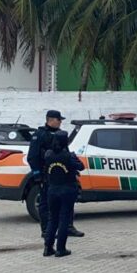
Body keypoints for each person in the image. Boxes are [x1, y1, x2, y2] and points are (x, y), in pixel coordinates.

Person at [27, 110, 84, 239]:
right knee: (45, 203)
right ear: (51, 120)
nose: (60, 122)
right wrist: (37, 175)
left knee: (68, 201)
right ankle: (47, 230)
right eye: (59, 120)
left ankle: (68, 227)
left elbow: (66, 155)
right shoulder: (39, 135)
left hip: (63, 174)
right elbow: (33, 157)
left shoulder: (60, 135)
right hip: (47, 175)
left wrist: (73, 172)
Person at [43, 131, 83, 257]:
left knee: (52, 219)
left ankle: (48, 247)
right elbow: (81, 166)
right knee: (64, 218)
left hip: (52, 189)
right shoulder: (68, 156)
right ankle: (61, 248)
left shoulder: (48, 154)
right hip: (67, 189)